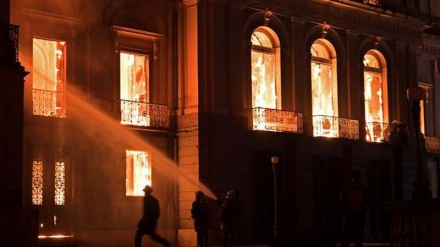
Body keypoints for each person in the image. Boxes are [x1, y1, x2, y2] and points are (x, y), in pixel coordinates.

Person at [340, 170, 368, 247]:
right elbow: (367, 201)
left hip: (349, 212)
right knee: (358, 236)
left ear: (351, 177)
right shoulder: (363, 188)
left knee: (346, 235)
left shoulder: (346, 186)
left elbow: (342, 200)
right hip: (359, 213)